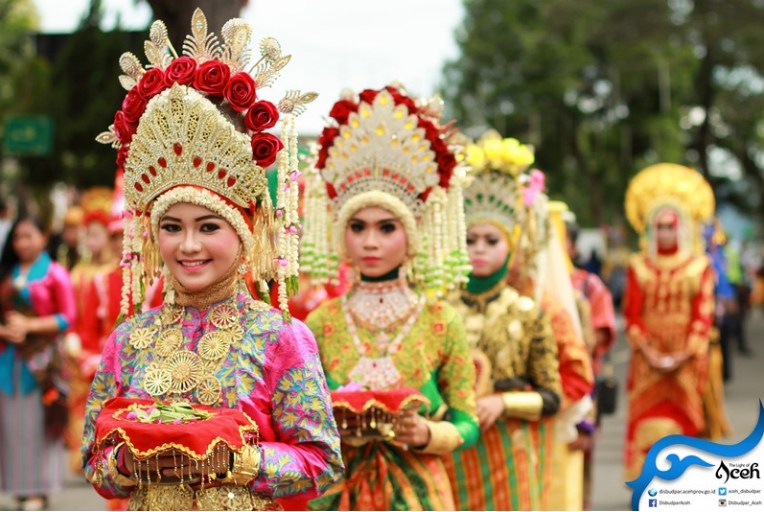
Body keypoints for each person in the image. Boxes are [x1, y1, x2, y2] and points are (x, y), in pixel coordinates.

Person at [81, 9, 343, 510]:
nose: (188, 246)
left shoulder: (281, 337)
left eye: (208, 227)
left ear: (244, 234)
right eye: (172, 227)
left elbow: (321, 461)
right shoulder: (130, 339)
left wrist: (231, 461)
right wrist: (127, 464)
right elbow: (94, 462)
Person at [301, 84, 479, 510]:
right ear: (341, 232)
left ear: (412, 234)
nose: (371, 242)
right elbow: (300, 419)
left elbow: (466, 418)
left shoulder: (440, 319)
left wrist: (429, 435)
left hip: (419, 491)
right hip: (338, 491)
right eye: (358, 226)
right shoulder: (320, 321)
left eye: (386, 227)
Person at [444, 133, 562, 511]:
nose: (479, 248)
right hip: (451, 451)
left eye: (491, 240)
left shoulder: (527, 313)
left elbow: (552, 397)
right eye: (471, 238)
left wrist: (504, 402)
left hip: (510, 452)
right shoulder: (440, 311)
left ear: (511, 245)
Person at [622, 163, 715, 481]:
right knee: (646, 414)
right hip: (646, 358)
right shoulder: (638, 266)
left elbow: (703, 316)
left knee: (685, 417)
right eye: (658, 226)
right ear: (649, 228)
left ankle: (682, 482)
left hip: (685, 360)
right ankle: (646, 478)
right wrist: (649, 353)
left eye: (670, 226)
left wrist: (681, 355)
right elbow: (631, 313)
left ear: (683, 227)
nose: (664, 233)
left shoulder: (697, 267)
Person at [0, 215, 77, 511]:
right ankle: (19, 487)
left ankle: (39, 489)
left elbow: (67, 317)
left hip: (43, 363)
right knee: (12, 425)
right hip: (9, 359)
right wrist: (7, 330)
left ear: (43, 237)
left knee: (38, 425)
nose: (22, 243)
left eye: (28, 235)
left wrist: (30, 327)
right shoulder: (6, 272)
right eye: (18, 237)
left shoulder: (55, 273)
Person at [66, 186, 118, 473]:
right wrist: (72, 338)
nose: (90, 240)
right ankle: (83, 457)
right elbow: (74, 315)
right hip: (80, 350)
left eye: (97, 234)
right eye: (88, 234)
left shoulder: (114, 275)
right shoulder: (78, 272)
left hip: (103, 350)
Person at [566, 216, 617, 508]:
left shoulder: (589, 285)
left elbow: (599, 335)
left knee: (580, 460)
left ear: (573, 247)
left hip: (582, 387)